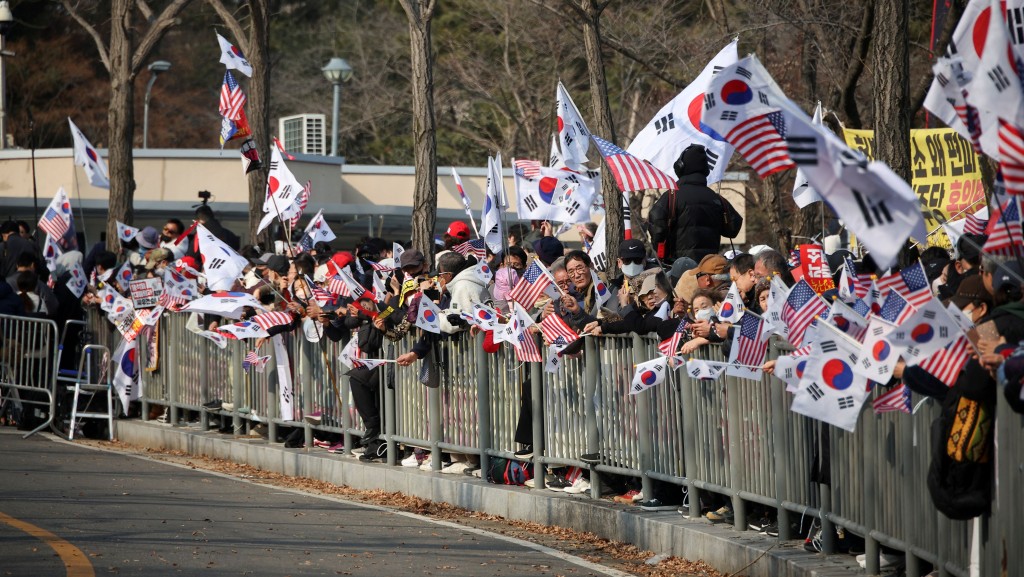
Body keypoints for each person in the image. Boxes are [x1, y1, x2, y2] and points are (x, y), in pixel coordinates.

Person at [647, 144, 742, 263]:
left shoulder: (672, 196)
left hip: (678, 268)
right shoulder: (717, 199)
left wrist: (661, 250)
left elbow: (656, 223)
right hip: (709, 269)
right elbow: (733, 229)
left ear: (681, 167)